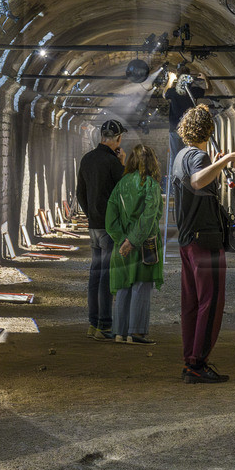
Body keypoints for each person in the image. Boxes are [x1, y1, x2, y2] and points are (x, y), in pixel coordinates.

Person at [172, 104, 235, 383]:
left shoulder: (182, 154)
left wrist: (214, 164)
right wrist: (224, 160)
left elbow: (197, 182)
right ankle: (198, 362)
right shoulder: (199, 157)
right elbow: (196, 181)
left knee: (191, 303)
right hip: (205, 240)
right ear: (209, 129)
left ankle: (189, 359)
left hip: (187, 240)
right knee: (211, 302)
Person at [105, 144, 165, 344]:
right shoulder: (151, 186)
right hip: (144, 244)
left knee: (123, 286)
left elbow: (110, 216)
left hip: (121, 246)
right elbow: (149, 217)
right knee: (141, 285)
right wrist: (133, 241)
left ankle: (120, 332)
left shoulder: (120, 184)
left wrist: (122, 240)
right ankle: (136, 332)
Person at [75, 119, 125, 341]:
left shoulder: (87, 159)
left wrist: (90, 214)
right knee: (106, 277)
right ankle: (104, 325)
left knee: (95, 275)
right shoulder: (113, 162)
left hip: (93, 226)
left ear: (100, 136)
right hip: (109, 228)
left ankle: (93, 323)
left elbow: (80, 193)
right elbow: (124, 192)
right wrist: (123, 163)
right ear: (118, 139)